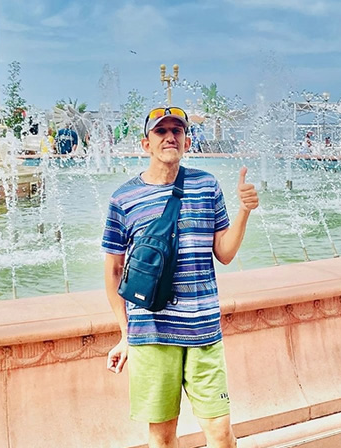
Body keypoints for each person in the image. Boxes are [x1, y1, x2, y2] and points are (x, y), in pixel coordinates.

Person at [103, 106, 259, 448]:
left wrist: (244, 212)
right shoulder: (123, 198)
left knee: (221, 434)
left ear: (187, 142)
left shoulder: (206, 185)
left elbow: (225, 253)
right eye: (161, 131)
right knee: (162, 438)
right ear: (146, 144)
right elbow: (113, 271)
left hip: (203, 330)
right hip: (151, 335)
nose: (170, 137)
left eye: (177, 131)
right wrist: (125, 333)